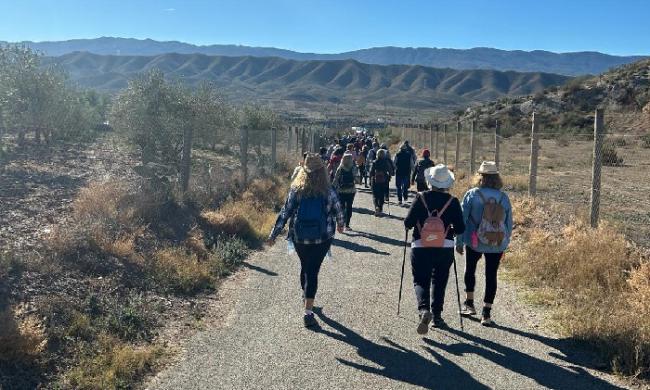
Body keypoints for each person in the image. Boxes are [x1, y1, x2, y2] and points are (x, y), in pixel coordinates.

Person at [268, 154, 345, 328]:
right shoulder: (328, 190)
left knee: (305, 266)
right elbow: (338, 209)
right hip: (322, 238)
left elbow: (285, 212)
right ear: (322, 171)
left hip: (300, 236)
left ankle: (306, 294)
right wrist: (341, 225)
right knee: (313, 270)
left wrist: (274, 234)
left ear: (304, 171)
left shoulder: (296, 189)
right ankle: (308, 312)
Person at [404, 164, 465, 334]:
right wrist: (449, 229)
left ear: (430, 181)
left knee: (420, 280)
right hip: (444, 247)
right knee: (440, 280)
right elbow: (461, 229)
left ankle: (424, 310)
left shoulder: (420, 197)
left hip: (420, 245)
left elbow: (407, 223)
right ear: (447, 184)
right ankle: (437, 317)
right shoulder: (452, 202)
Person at [456, 161, 512, 327]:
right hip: (496, 242)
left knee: (470, 269)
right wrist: (504, 241)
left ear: (480, 176)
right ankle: (486, 314)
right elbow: (509, 223)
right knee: (491, 274)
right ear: (497, 178)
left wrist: (458, 240)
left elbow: (462, 219)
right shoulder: (503, 197)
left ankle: (469, 304)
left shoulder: (472, 194)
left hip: (474, 239)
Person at [333, 153, 358, 230]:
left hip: (341, 190)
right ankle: (347, 225)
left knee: (342, 207)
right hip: (351, 190)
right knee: (349, 207)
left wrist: (332, 187)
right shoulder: (353, 168)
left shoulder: (340, 168)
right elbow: (356, 179)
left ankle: (342, 222)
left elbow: (335, 180)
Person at [369, 149, 392, 216]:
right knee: (382, 195)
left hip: (375, 180)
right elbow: (390, 171)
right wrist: (389, 177)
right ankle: (380, 208)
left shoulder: (374, 162)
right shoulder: (386, 162)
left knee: (375, 195)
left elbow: (371, 172)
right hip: (384, 180)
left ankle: (376, 207)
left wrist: (371, 179)